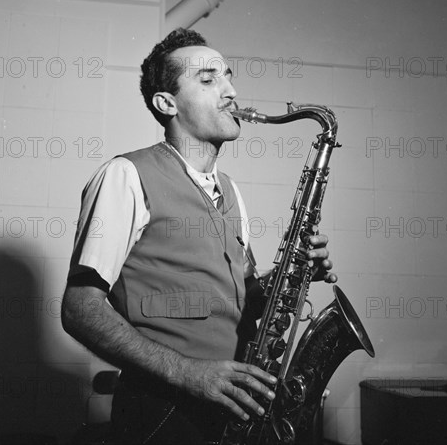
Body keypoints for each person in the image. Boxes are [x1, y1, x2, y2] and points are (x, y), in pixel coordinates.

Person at [61, 28, 334, 445]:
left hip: (230, 407)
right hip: (163, 410)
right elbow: (79, 309)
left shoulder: (230, 189)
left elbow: (243, 300)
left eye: (227, 76)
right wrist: (188, 373)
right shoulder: (125, 175)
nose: (230, 91)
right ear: (167, 103)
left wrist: (291, 276)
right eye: (208, 80)